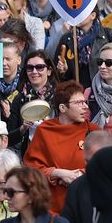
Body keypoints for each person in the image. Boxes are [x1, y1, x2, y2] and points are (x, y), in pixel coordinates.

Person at [23, 81, 97, 213]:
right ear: (62, 108)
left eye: (85, 102)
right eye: (79, 103)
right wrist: (57, 173)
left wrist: (81, 174)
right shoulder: (45, 131)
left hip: (86, 206)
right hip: (53, 208)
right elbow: (31, 169)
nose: (85, 106)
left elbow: (105, 165)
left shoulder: (93, 131)